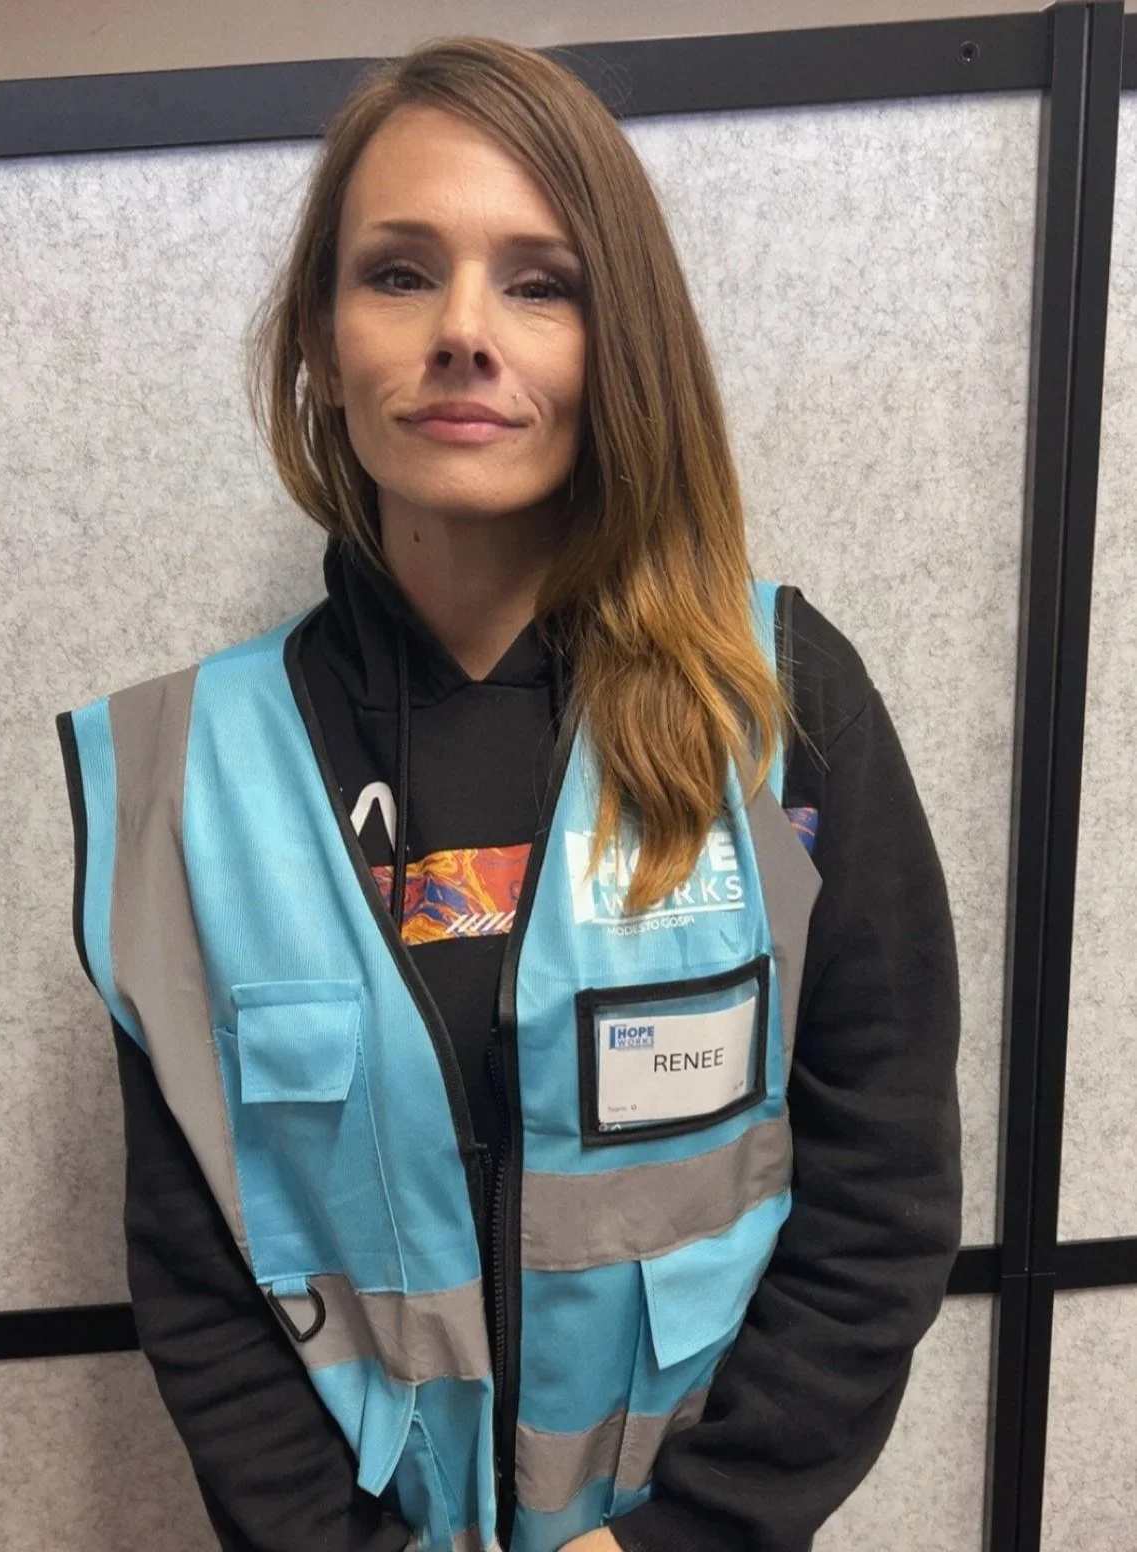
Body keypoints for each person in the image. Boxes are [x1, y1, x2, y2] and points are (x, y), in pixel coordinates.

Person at [55, 33, 962, 1552]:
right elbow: (202, 1275)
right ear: (316, 337)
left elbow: (880, 1203)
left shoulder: (781, 707)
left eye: (539, 282)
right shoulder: (183, 781)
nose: (464, 331)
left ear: (621, 343)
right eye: (399, 273)